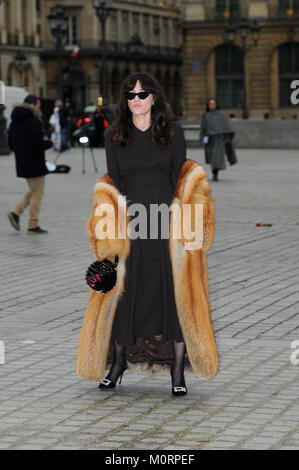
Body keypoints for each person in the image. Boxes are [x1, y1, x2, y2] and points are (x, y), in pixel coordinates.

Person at [76, 72, 218, 396]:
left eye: (143, 94)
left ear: (155, 97)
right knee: (125, 294)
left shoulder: (172, 132)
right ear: (125, 102)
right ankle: (118, 363)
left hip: (166, 224)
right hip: (132, 225)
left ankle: (178, 372)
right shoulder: (116, 135)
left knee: (174, 293)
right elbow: (113, 182)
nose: (137, 100)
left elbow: (181, 177)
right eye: (131, 95)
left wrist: (188, 222)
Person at [7, 94, 53, 234]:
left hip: (22, 162)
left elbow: (10, 144)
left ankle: (16, 213)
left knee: (34, 190)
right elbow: (38, 144)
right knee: (37, 193)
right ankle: (32, 224)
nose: (39, 107)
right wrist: (50, 143)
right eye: (38, 105)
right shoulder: (34, 121)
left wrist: (22, 152)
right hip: (35, 162)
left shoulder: (14, 121)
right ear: (33, 105)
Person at [200, 98, 237, 181]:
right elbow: (204, 129)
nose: (212, 105)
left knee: (217, 156)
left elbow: (226, 127)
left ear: (216, 105)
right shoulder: (206, 115)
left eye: (213, 104)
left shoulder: (221, 115)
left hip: (219, 140)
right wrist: (204, 140)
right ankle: (214, 171)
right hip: (209, 139)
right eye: (210, 104)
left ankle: (215, 173)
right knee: (211, 156)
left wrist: (227, 139)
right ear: (208, 105)